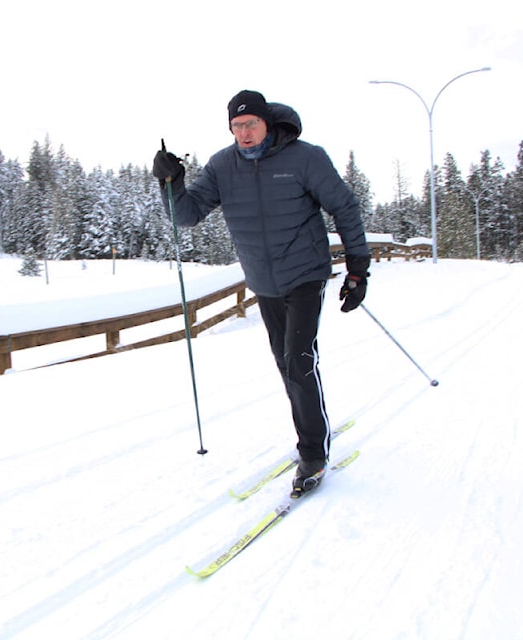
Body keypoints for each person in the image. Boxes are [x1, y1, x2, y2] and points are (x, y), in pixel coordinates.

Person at [153, 89, 371, 497]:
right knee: (286, 363)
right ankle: (312, 432)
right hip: (264, 282)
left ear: (267, 122)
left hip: (305, 273)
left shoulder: (306, 158)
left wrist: (358, 267)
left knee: (299, 360)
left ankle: (313, 452)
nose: (245, 133)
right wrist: (173, 183)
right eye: (237, 127)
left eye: (251, 124)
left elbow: (344, 207)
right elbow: (187, 216)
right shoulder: (222, 166)